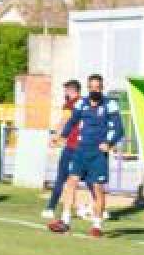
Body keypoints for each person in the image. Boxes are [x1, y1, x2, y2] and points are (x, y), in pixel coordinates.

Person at [47, 74, 123, 238]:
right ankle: (65, 221)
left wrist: (109, 144)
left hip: (98, 153)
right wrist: (61, 136)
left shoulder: (110, 104)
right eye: (92, 87)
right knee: (70, 182)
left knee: (97, 188)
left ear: (102, 88)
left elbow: (119, 129)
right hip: (80, 150)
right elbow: (72, 121)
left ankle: (97, 225)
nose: (94, 90)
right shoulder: (82, 103)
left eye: (98, 87)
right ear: (88, 88)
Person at [42, 80, 82, 220]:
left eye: (65, 90)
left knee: (61, 177)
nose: (64, 93)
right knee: (87, 179)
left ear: (71, 90)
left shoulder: (70, 104)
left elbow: (64, 121)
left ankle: (50, 207)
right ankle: (96, 209)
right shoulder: (85, 103)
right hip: (84, 146)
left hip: (71, 146)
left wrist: (55, 136)